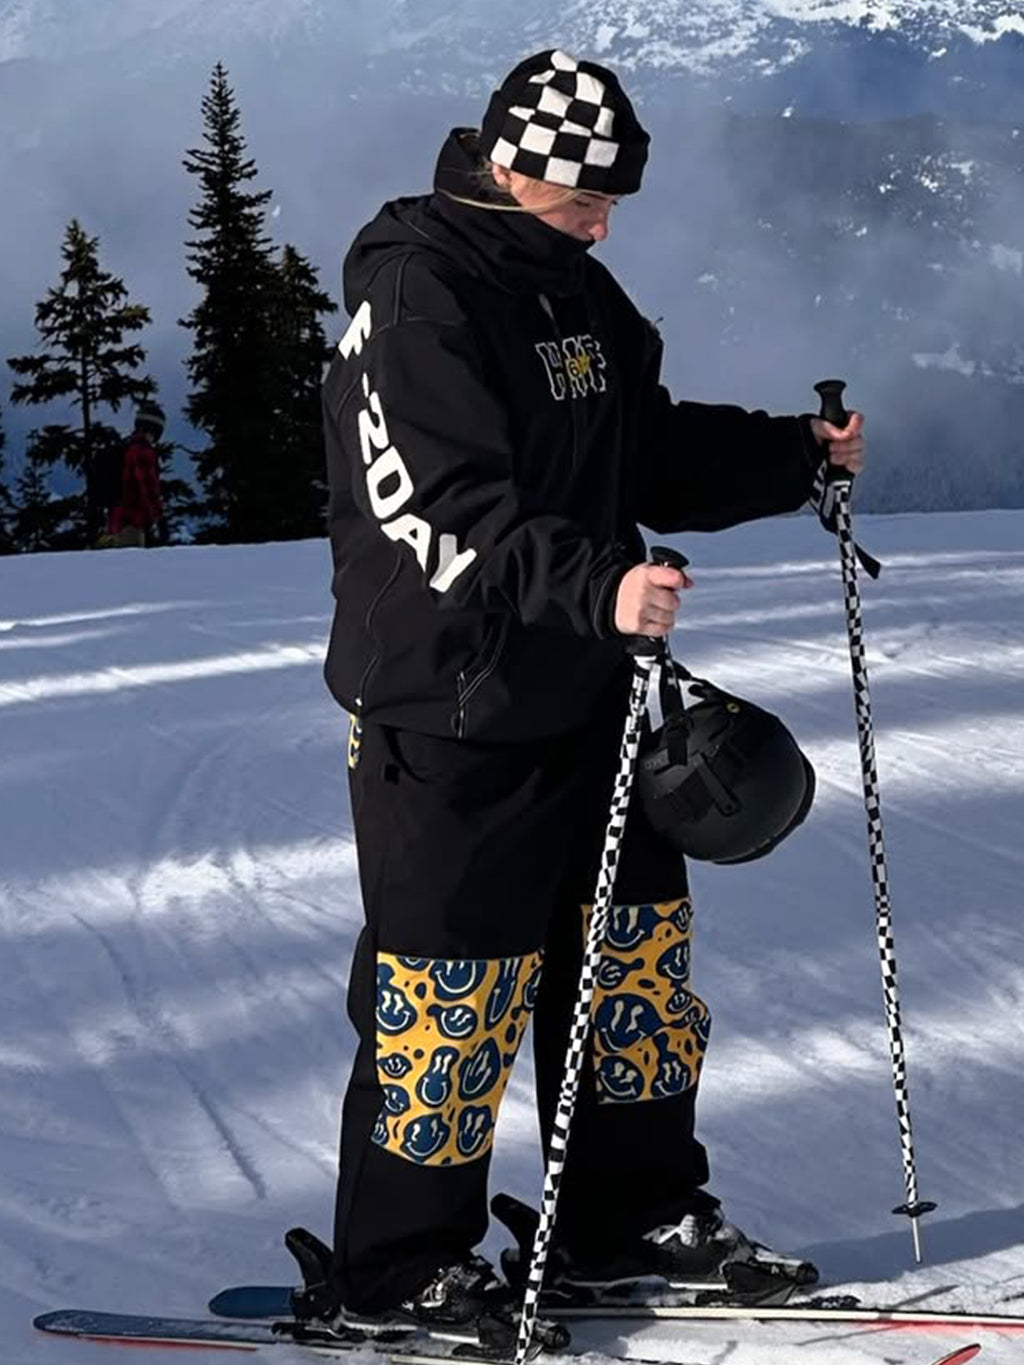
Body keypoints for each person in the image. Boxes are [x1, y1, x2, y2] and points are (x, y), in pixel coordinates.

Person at [318, 49, 865, 1344]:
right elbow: (434, 509)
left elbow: (642, 443)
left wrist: (791, 455)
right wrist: (598, 585)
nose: (604, 224)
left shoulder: (572, 283)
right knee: (448, 998)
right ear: (513, 169)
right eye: (586, 199)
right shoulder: (418, 294)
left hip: (591, 699)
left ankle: (625, 1223)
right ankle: (398, 1271)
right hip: (452, 711)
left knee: (635, 974)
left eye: (614, 202)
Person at [97, 399, 165, 548]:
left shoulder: (125, 448)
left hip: (115, 518)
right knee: (132, 560)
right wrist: (158, 516)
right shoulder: (143, 452)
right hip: (133, 521)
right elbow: (148, 486)